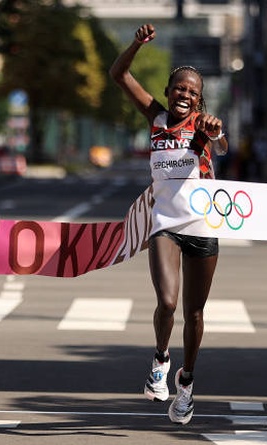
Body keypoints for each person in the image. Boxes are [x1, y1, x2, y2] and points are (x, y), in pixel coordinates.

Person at [109, 23, 228, 425]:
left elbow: (223, 143)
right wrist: (137, 43)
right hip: (166, 225)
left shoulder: (204, 127)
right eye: (179, 88)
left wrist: (216, 133)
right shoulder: (156, 117)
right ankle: (160, 360)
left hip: (203, 228)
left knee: (195, 314)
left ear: (199, 100)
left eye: (193, 92)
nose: (185, 95)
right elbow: (119, 76)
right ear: (167, 91)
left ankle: (187, 384)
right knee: (168, 302)